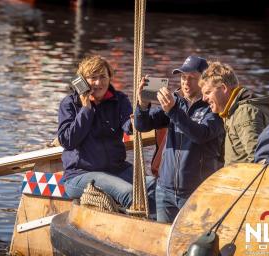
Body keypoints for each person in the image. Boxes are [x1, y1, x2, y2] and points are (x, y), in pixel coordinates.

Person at [57, 55, 155, 211]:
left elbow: (129, 126)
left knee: (155, 187)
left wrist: (140, 110)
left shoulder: (119, 99)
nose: (98, 82)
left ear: (110, 78)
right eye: (92, 78)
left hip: (117, 169)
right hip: (80, 174)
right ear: (82, 81)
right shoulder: (69, 104)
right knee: (128, 193)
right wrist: (86, 109)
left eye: (103, 76)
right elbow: (68, 141)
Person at [134, 55, 225, 223]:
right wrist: (143, 104)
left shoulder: (213, 107)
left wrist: (173, 110)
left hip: (195, 193)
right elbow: (142, 125)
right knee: (162, 243)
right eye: (183, 77)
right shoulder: (175, 102)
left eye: (192, 78)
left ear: (204, 81)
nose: (186, 82)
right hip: (165, 190)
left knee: (190, 244)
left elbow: (200, 134)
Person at [201, 61, 269, 165]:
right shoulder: (234, 111)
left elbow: (259, 159)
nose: (204, 99)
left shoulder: (244, 113)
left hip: (245, 180)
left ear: (223, 88)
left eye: (208, 92)